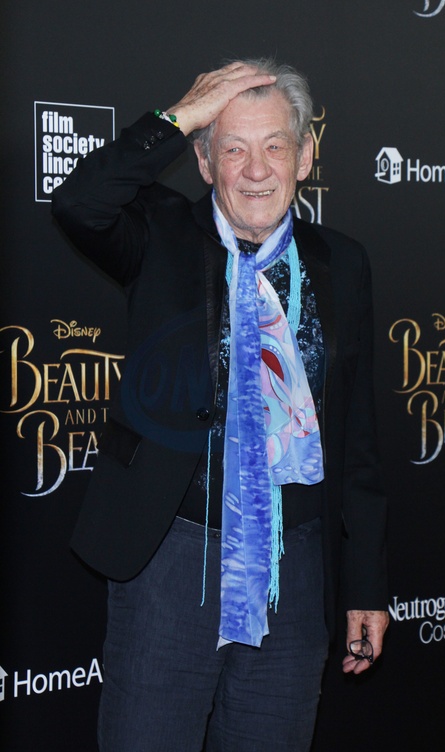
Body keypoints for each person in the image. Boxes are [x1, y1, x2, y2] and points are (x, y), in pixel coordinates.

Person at [52, 59, 389, 752]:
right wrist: (183, 115)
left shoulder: (343, 263)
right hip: (171, 562)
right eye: (233, 148)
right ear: (204, 163)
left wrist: (366, 585)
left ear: (306, 156)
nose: (256, 170)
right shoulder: (159, 235)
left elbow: (357, 442)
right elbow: (79, 201)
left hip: (296, 573)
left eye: (275, 146)